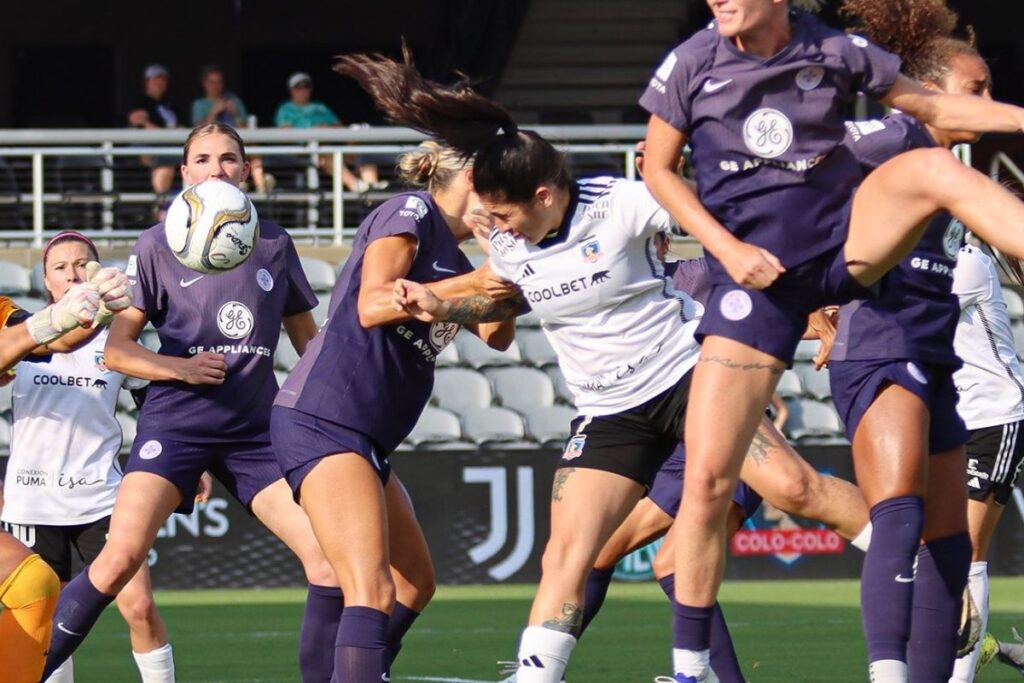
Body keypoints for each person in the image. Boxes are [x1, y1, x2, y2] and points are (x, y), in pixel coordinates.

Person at [638, 2, 1024, 680]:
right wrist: (734, 244)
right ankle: (693, 667)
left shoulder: (839, 53)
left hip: (874, 289)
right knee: (708, 479)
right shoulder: (700, 62)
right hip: (782, 286)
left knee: (946, 540)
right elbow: (664, 167)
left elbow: (924, 110)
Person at [38, 123, 344, 683]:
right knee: (118, 559)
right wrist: (179, 368)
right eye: (201, 159)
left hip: (255, 433)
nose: (215, 169)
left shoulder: (274, 243)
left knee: (329, 564)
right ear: (184, 174)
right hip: (176, 426)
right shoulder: (155, 244)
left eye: (228, 159)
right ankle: (22, 670)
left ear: (246, 170)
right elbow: (117, 350)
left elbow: (310, 347)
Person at [271, 123, 516, 680]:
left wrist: (507, 268)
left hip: (366, 434)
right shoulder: (411, 210)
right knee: (370, 588)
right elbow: (374, 305)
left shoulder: (458, 255)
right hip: (325, 416)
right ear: (474, 178)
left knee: (413, 583)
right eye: (502, 189)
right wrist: (471, 280)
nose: (509, 203)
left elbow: (498, 336)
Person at [1, 232, 177, 683]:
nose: (73, 273)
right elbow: (54, 338)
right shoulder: (23, 334)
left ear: (98, 273)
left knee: (138, 607)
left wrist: (182, 461)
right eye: (60, 267)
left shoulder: (120, 338)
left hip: (102, 498)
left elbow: (153, 406)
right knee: (47, 619)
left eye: (83, 264)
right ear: (46, 281)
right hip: (34, 503)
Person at [0, 265, 129, 682]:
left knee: (37, 585)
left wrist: (93, 311)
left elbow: (52, 341)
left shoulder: (2, 310)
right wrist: (49, 321)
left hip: (89, 495)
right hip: (32, 497)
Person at [274, 71, 383, 194]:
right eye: (298, 87)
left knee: (362, 151)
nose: (303, 90)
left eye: (306, 86)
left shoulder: (320, 107)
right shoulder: (285, 109)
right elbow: (285, 132)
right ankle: (356, 186)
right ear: (291, 90)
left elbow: (340, 127)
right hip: (305, 150)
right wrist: (312, 130)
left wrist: (327, 128)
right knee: (328, 156)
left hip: (333, 146)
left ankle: (372, 187)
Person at [190, 66, 270, 195]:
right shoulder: (199, 104)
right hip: (212, 145)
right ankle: (239, 183)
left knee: (253, 148)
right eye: (212, 82)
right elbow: (198, 131)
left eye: (218, 82)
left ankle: (261, 187)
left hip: (237, 143)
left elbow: (246, 128)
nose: (215, 85)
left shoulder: (235, 102)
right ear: (204, 83)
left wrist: (235, 113)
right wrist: (214, 111)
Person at [127, 64, 182, 198]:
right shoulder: (139, 100)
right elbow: (138, 121)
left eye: (163, 79)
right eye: (156, 79)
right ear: (147, 81)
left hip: (173, 147)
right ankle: (160, 208)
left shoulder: (169, 104)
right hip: (149, 148)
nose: (160, 82)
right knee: (165, 165)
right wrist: (168, 134)